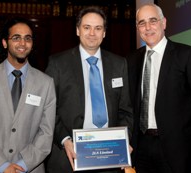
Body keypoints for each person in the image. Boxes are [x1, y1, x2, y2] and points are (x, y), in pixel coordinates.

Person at [45, 6, 133, 173]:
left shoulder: (119, 64)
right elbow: (48, 109)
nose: (92, 33)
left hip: (109, 156)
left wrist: (124, 141)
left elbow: (126, 110)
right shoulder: (58, 63)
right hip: (70, 156)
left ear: (104, 33)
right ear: (78, 30)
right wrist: (65, 140)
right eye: (87, 27)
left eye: (98, 28)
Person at [0, 17, 56, 173]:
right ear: (4, 43)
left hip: (29, 168)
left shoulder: (46, 83)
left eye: (27, 38)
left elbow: (46, 133)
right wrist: (1, 165)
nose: (22, 43)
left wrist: (22, 165)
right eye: (16, 38)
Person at [127, 3, 191, 173]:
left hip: (177, 150)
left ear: (163, 23)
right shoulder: (131, 60)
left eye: (153, 21)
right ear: (137, 28)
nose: (147, 27)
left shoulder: (187, 55)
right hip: (141, 147)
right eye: (142, 23)